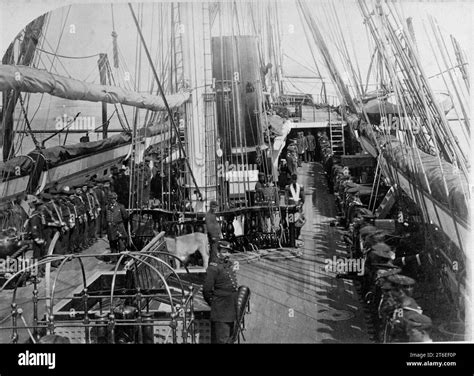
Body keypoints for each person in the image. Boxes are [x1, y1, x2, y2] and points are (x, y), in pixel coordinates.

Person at [203, 240, 239, 344]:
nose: (227, 254)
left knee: (230, 339)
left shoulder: (227, 265)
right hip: (221, 311)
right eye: (224, 252)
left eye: (228, 252)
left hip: (230, 310)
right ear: (218, 253)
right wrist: (214, 303)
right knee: (222, 340)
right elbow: (207, 290)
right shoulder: (213, 268)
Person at [105, 192, 129, 259]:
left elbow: (125, 216)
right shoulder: (107, 207)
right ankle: (114, 258)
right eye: (111, 199)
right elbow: (105, 217)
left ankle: (123, 258)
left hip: (119, 227)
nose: (113, 200)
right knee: (112, 244)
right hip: (110, 227)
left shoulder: (120, 206)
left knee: (122, 244)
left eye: (114, 199)